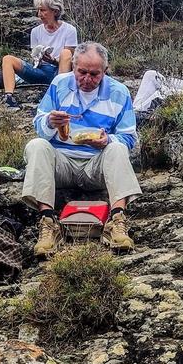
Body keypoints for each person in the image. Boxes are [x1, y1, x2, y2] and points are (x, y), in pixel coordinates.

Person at [25, 42, 140, 256]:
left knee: (117, 149)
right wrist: (50, 122)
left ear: (105, 71)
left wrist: (107, 140)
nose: (87, 79)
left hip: (96, 166)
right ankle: (48, 222)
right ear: (73, 67)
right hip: (62, 163)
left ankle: (116, 220)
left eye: (95, 74)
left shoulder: (119, 92)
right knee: (36, 145)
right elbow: (39, 126)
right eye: (82, 72)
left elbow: (129, 138)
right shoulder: (59, 84)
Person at [2, 0, 78, 110]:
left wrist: (53, 61)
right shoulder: (36, 31)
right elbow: (34, 59)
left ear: (55, 11)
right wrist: (39, 57)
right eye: (38, 10)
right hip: (41, 70)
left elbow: (69, 60)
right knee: (7, 59)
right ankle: (8, 97)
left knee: (66, 53)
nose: (39, 14)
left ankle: (60, 94)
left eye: (43, 10)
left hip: (59, 71)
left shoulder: (69, 30)